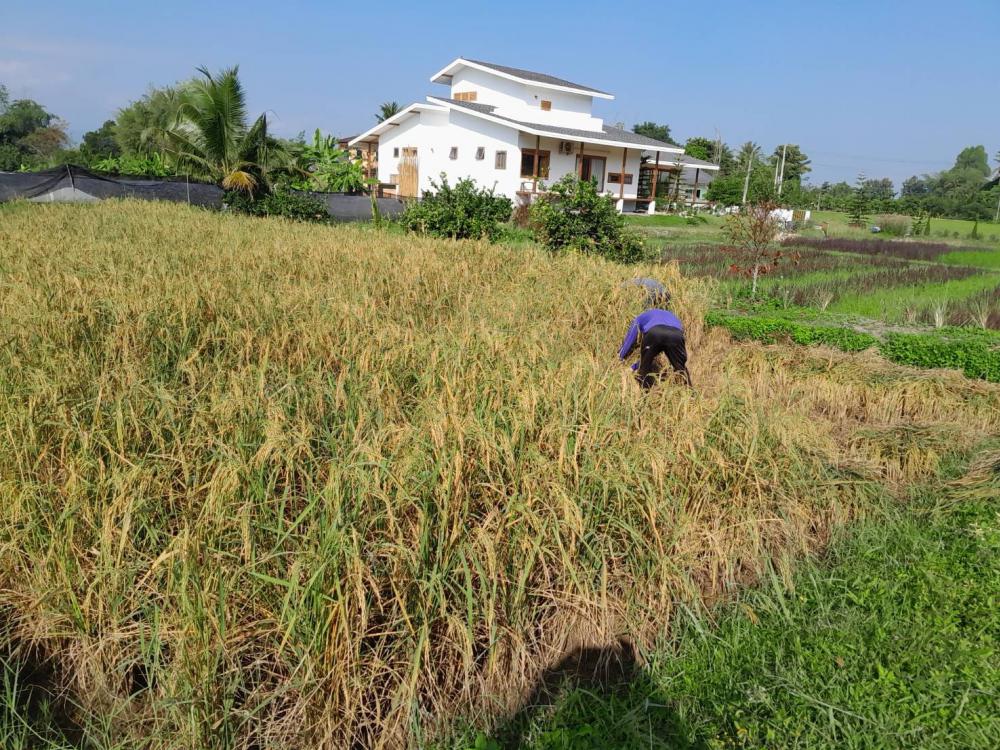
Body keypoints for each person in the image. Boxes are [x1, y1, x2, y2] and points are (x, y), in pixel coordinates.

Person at [618, 308, 691, 389]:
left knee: (644, 368)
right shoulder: (673, 316)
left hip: (655, 332)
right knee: (681, 369)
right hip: (676, 334)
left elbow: (630, 337)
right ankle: (690, 395)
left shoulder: (640, 317)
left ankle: (644, 395)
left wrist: (620, 356)